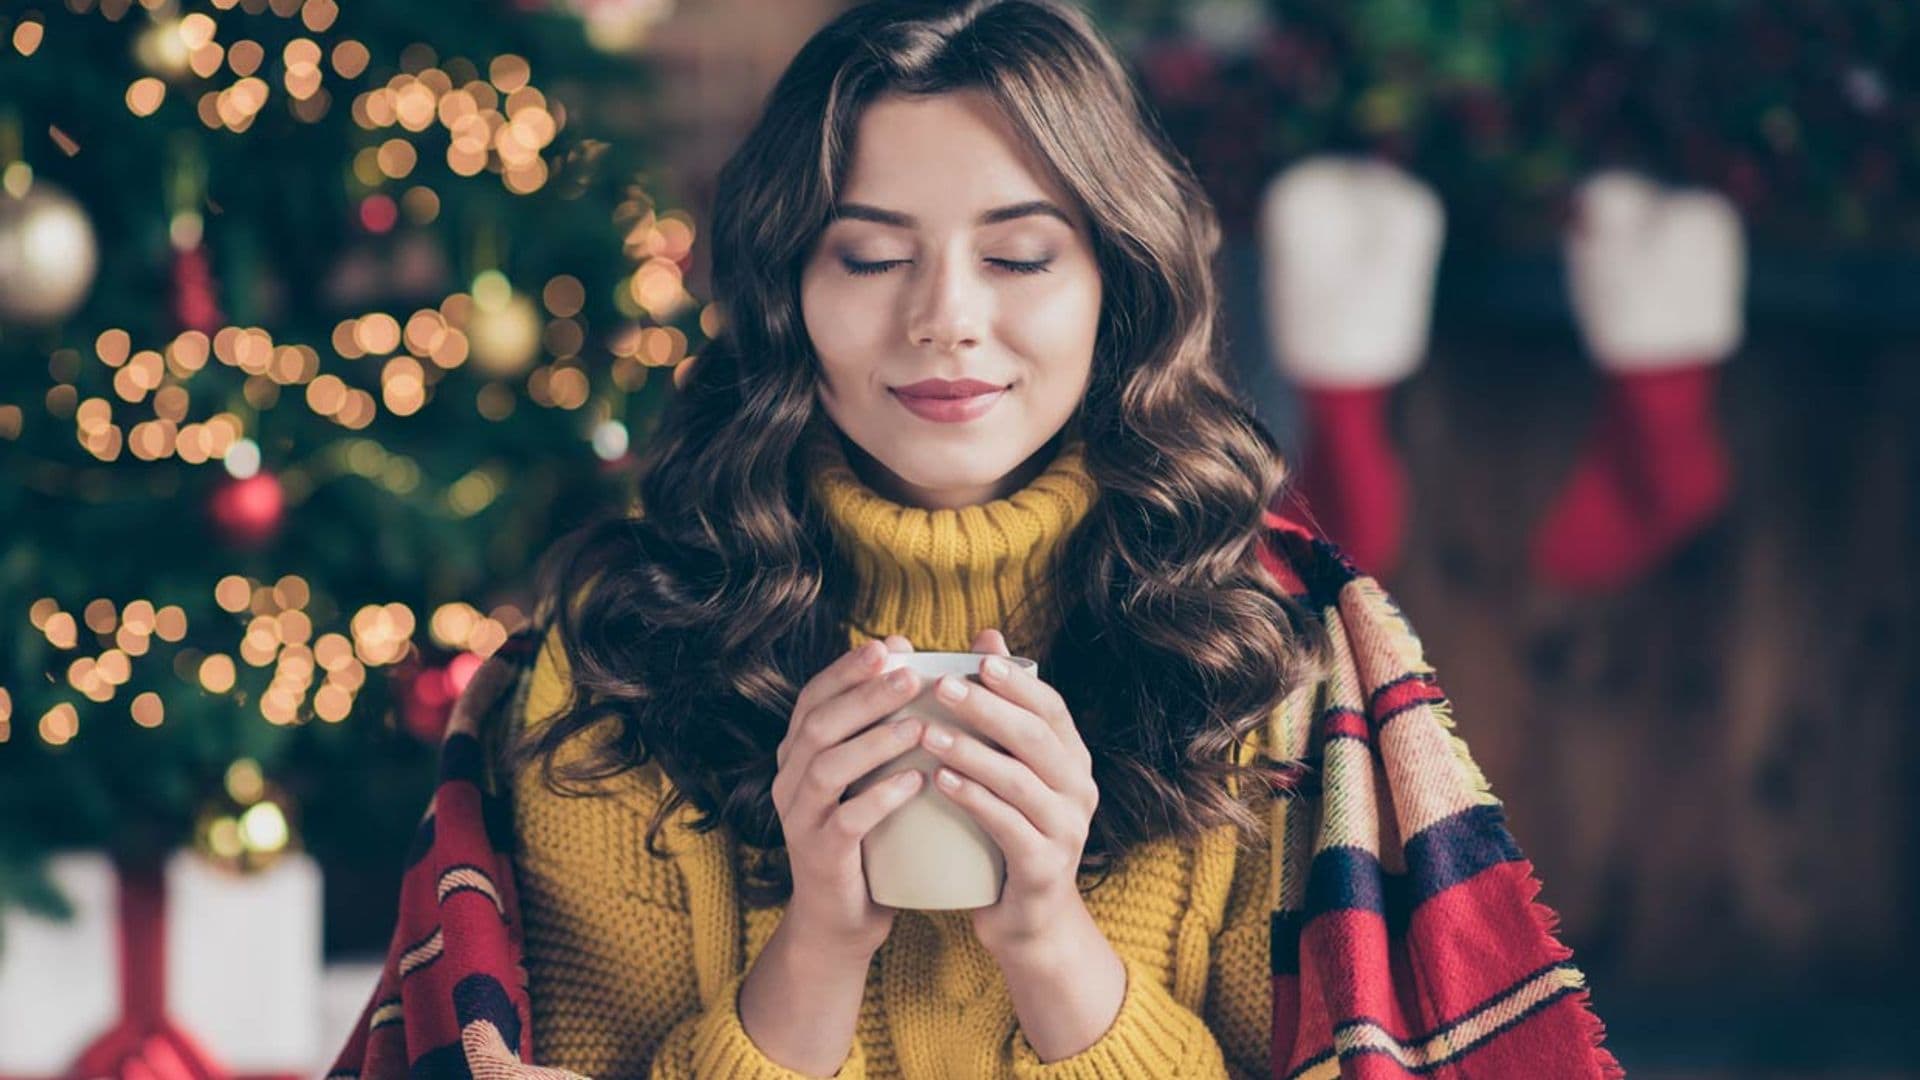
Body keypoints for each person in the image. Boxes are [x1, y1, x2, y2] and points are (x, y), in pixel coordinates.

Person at [328, 2, 1620, 1077]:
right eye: (871, 257)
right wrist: (821, 945)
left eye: (1019, 256)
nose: (946, 320)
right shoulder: (621, 656)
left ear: (1120, 286)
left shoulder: (1262, 652)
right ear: (784, 297)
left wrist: (1048, 932)